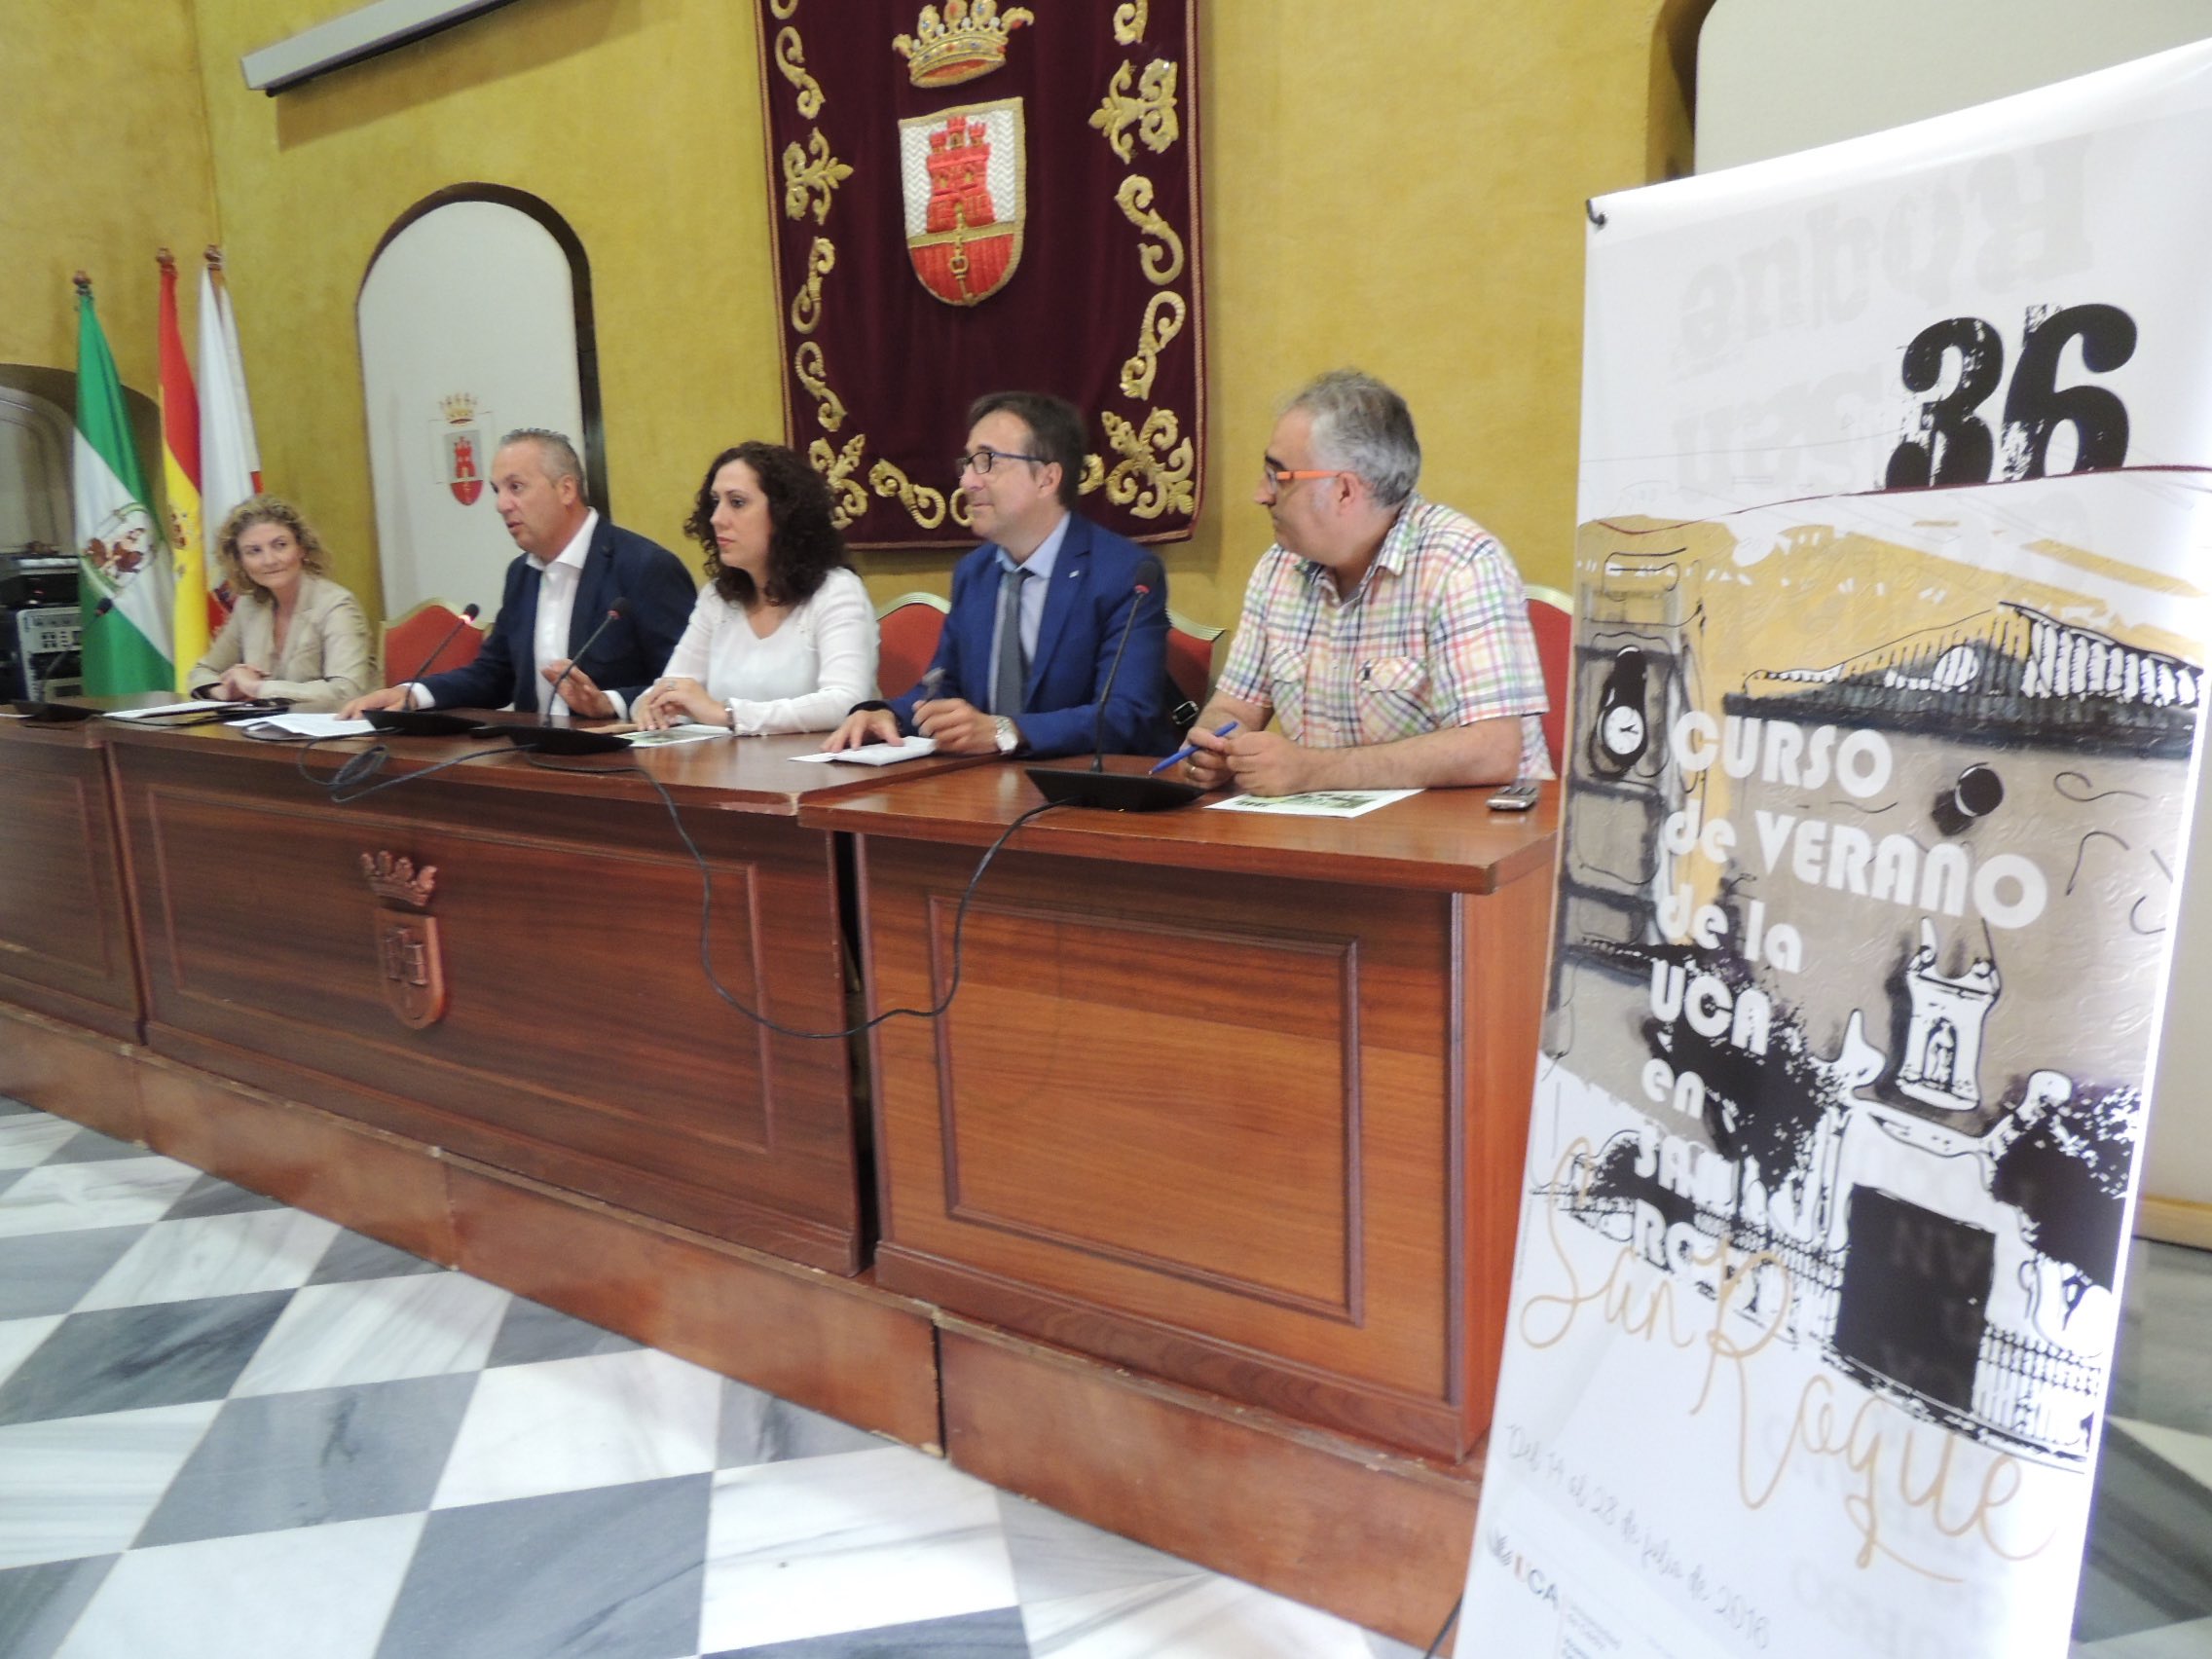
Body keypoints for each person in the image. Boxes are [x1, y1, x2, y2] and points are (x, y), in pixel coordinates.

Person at [1182, 370, 1550, 795]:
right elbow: (1235, 706)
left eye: (1277, 476)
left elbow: (1491, 749)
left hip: (1469, 827)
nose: (1260, 494)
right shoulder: (1279, 566)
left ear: (1343, 491)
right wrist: (1214, 745)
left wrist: (1314, 771)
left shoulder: (1461, 563)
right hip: (1331, 827)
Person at [823, 391, 1175, 759]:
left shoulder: (1123, 573)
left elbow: (1125, 715)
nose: (967, 481)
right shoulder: (974, 573)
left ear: (1047, 478)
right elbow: (945, 687)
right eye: (967, 463)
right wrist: (887, 715)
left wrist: (1007, 732)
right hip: (986, 781)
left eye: (986, 461)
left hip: (1086, 784)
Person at [341, 428, 693, 720]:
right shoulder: (522, 574)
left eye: (516, 487)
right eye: (498, 491)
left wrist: (609, 703)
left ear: (566, 489)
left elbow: (686, 684)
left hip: (623, 764)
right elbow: (494, 675)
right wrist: (412, 694)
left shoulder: (644, 567)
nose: (501, 505)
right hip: (533, 760)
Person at [634, 443, 876, 734]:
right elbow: (673, 685)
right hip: (731, 760)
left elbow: (846, 702)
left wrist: (728, 714)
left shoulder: (836, 591)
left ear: (785, 513)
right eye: (715, 502)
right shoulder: (717, 598)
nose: (717, 518)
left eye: (737, 503)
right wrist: (652, 705)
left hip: (819, 760)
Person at [188, 496, 373, 712]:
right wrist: (223, 691)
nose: (269, 560)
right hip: (267, 726)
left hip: (339, 727)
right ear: (240, 561)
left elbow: (346, 692)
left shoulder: (336, 605)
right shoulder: (248, 606)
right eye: (254, 551)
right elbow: (203, 671)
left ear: (301, 548)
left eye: (280, 545)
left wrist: (258, 688)